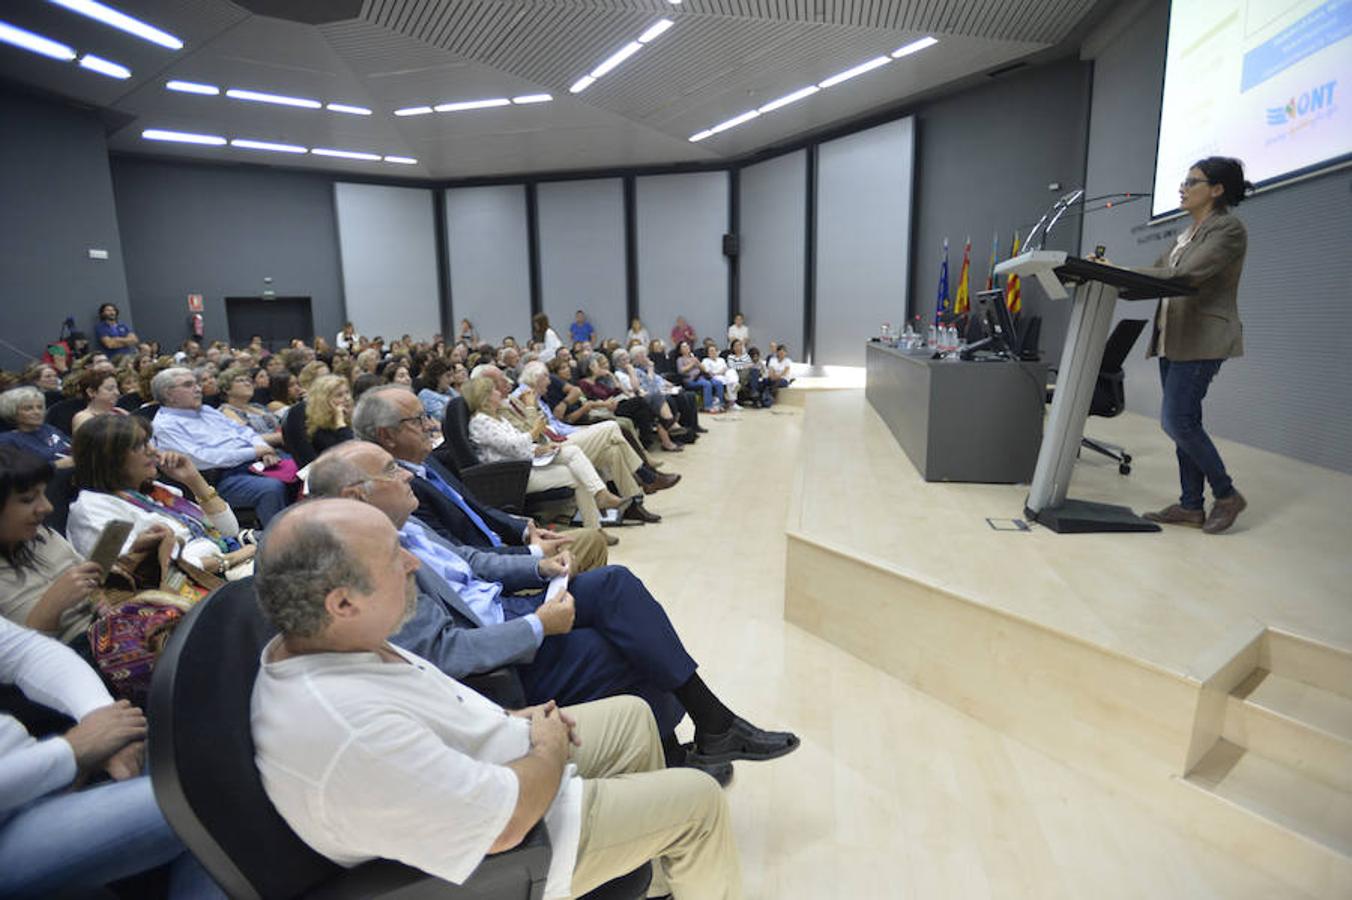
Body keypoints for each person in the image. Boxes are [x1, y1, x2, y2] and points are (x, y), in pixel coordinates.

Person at [250, 499, 746, 900]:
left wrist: (515, 717)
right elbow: (504, 828)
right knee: (698, 804)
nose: (414, 562)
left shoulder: (336, 640)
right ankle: (652, 846)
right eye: (393, 557)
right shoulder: (346, 726)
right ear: (342, 602)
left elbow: (439, 711)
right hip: (516, 839)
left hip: (499, 760)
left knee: (633, 717)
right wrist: (546, 746)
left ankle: (641, 872)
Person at [307, 446, 798, 771]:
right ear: (357, 494)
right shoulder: (364, 561)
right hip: (497, 654)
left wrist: (537, 569)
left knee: (616, 589)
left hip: (505, 607)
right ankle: (683, 749)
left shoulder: (403, 523)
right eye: (392, 470)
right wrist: (537, 626)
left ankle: (712, 727)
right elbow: (443, 652)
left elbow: (471, 563)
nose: (407, 473)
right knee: (622, 644)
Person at [0, 616, 225, 897]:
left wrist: (100, 717)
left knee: (201, 745)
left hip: (35, 760)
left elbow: (24, 652)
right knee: (206, 793)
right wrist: (73, 752)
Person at [353, 387, 609, 573]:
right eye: (418, 420)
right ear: (387, 436)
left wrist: (523, 530)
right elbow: (459, 557)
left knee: (591, 546)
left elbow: (477, 508)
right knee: (599, 556)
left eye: (427, 417)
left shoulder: (427, 460)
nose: (431, 426)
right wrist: (532, 554)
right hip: (493, 571)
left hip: (502, 545)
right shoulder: (396, 491)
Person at [1133, 157, 1252, 534]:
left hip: (1202, 339)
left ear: (1216, 190)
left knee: (1177, 421)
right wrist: (1102, 272)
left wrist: (1112, 272)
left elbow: (1184, 275)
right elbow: (1155, 272)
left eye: (1192, 181)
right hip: (1174, 338)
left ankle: (1227, 494)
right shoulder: (1186, 234)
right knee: (1186, 421)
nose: (1182, 187)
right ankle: (1190, 506)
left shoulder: (1227, 229)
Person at [0, 446, 170, 652]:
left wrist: (133, 555)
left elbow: (93, 584)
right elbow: (18, 665)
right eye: (28, 500)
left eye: (44, 495)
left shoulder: (42, 535)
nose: (47, 508)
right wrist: (53, 604)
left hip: (110, 630)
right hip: (70, 660)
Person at [67, 415, 255, 576]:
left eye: (149, 441)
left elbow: (229, 529)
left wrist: (195, 481)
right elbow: (139, 572)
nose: (153, 451)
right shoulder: (92, 509)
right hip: (190, 591)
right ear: (110, 459)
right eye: (139, 446)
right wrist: (230, 559)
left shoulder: (154, 490)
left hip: (226, 565)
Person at [463, 377, 627, 532]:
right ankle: (595, 524)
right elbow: (512, 446)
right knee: (578, 475)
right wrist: (535, 432)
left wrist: (541, 449)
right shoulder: (480, 422)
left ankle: (600, 498)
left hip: (523, 462)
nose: (499, 393)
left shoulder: (497, 418)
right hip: (512, 474)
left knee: (572, 453)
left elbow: (517, 446)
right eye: (494, 391)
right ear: (485, 397)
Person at [149, 367, 289, 525]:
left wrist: (264, 450)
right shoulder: (165, 425)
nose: (198, 389)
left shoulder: (206, 411)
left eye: (196, 384)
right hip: (219, 479)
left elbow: (244, 431)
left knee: (301, 469)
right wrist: (253, 452)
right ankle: (278, 542)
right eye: (189, 385)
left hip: (254, 463)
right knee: (271, 488)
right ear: (169, 394)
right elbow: (200, 458)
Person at [0, 387, 73, 467]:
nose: (37, 412)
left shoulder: (48, 428)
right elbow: (15, 473)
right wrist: (54, 466)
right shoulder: (6, 441)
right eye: (28, 409)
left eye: (40, 407)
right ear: (13, 412)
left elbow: (72, 446)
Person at [217, 367, 286, 448]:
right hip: (263, 453)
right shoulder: (225, 411)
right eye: (241, 381)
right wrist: (283, 436)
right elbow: (246, 438)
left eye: (249, 381)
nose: (248, 384)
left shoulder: (257, 406)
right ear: (226, 389)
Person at [305, 374, 355, 456]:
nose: (347, 398)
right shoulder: (320, 433)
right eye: (339, 395)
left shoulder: (353, 418)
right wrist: (340, 423)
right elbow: (352, 451)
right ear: (324, 402)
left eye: (347, 392)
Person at [69, 368, 128, 434]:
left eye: (117, 388)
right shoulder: (83, 417)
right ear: (91, 392)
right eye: (110, 389)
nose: (117, 393)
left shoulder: (121, 412)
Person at [676, 341, 722, 412]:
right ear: (680, 350)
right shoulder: (680, 359)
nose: (687, 347)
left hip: (701, 377)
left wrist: (698, 363)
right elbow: (681, 371)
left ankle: (720, 404)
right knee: (707, 384)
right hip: (690, 380)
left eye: (687, 346)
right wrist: (692, 364)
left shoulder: (694, 357)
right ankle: (708, 406)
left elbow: (704, 370)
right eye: (684, 346)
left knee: (718, 383)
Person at [415, 358, 458, 423]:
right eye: (448, 376)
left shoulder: (449, 391)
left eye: (452, 376)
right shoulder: (425, 395)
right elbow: (442, 418)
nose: (452, 380)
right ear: (437, 376)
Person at [701, 345, 741, 411]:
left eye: (714, 351)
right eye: (711, 351)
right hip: (715, 377)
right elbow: (708, 372)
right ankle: (732, 402)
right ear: (708, 353)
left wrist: (722, 372)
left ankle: (735, 384)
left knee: (732, 371)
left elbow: (725, 368)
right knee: (729, 382)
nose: (713, 352)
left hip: (724, 375)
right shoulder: (706, 360)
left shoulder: (721, 359)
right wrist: (718, 373)